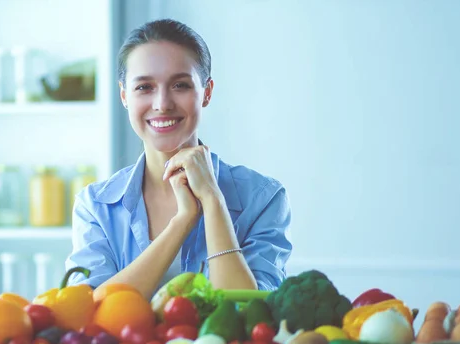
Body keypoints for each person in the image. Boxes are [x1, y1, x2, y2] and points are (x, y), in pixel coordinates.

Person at [65, 19, 292, 300]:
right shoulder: (95, 206)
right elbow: (89, 312)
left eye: (180, 85)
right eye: (144, 87)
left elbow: (249, 314)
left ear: (206, 92)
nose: (162, 103)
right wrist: (182, 221)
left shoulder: (262, 198)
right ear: (124, 96)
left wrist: (213, 201)